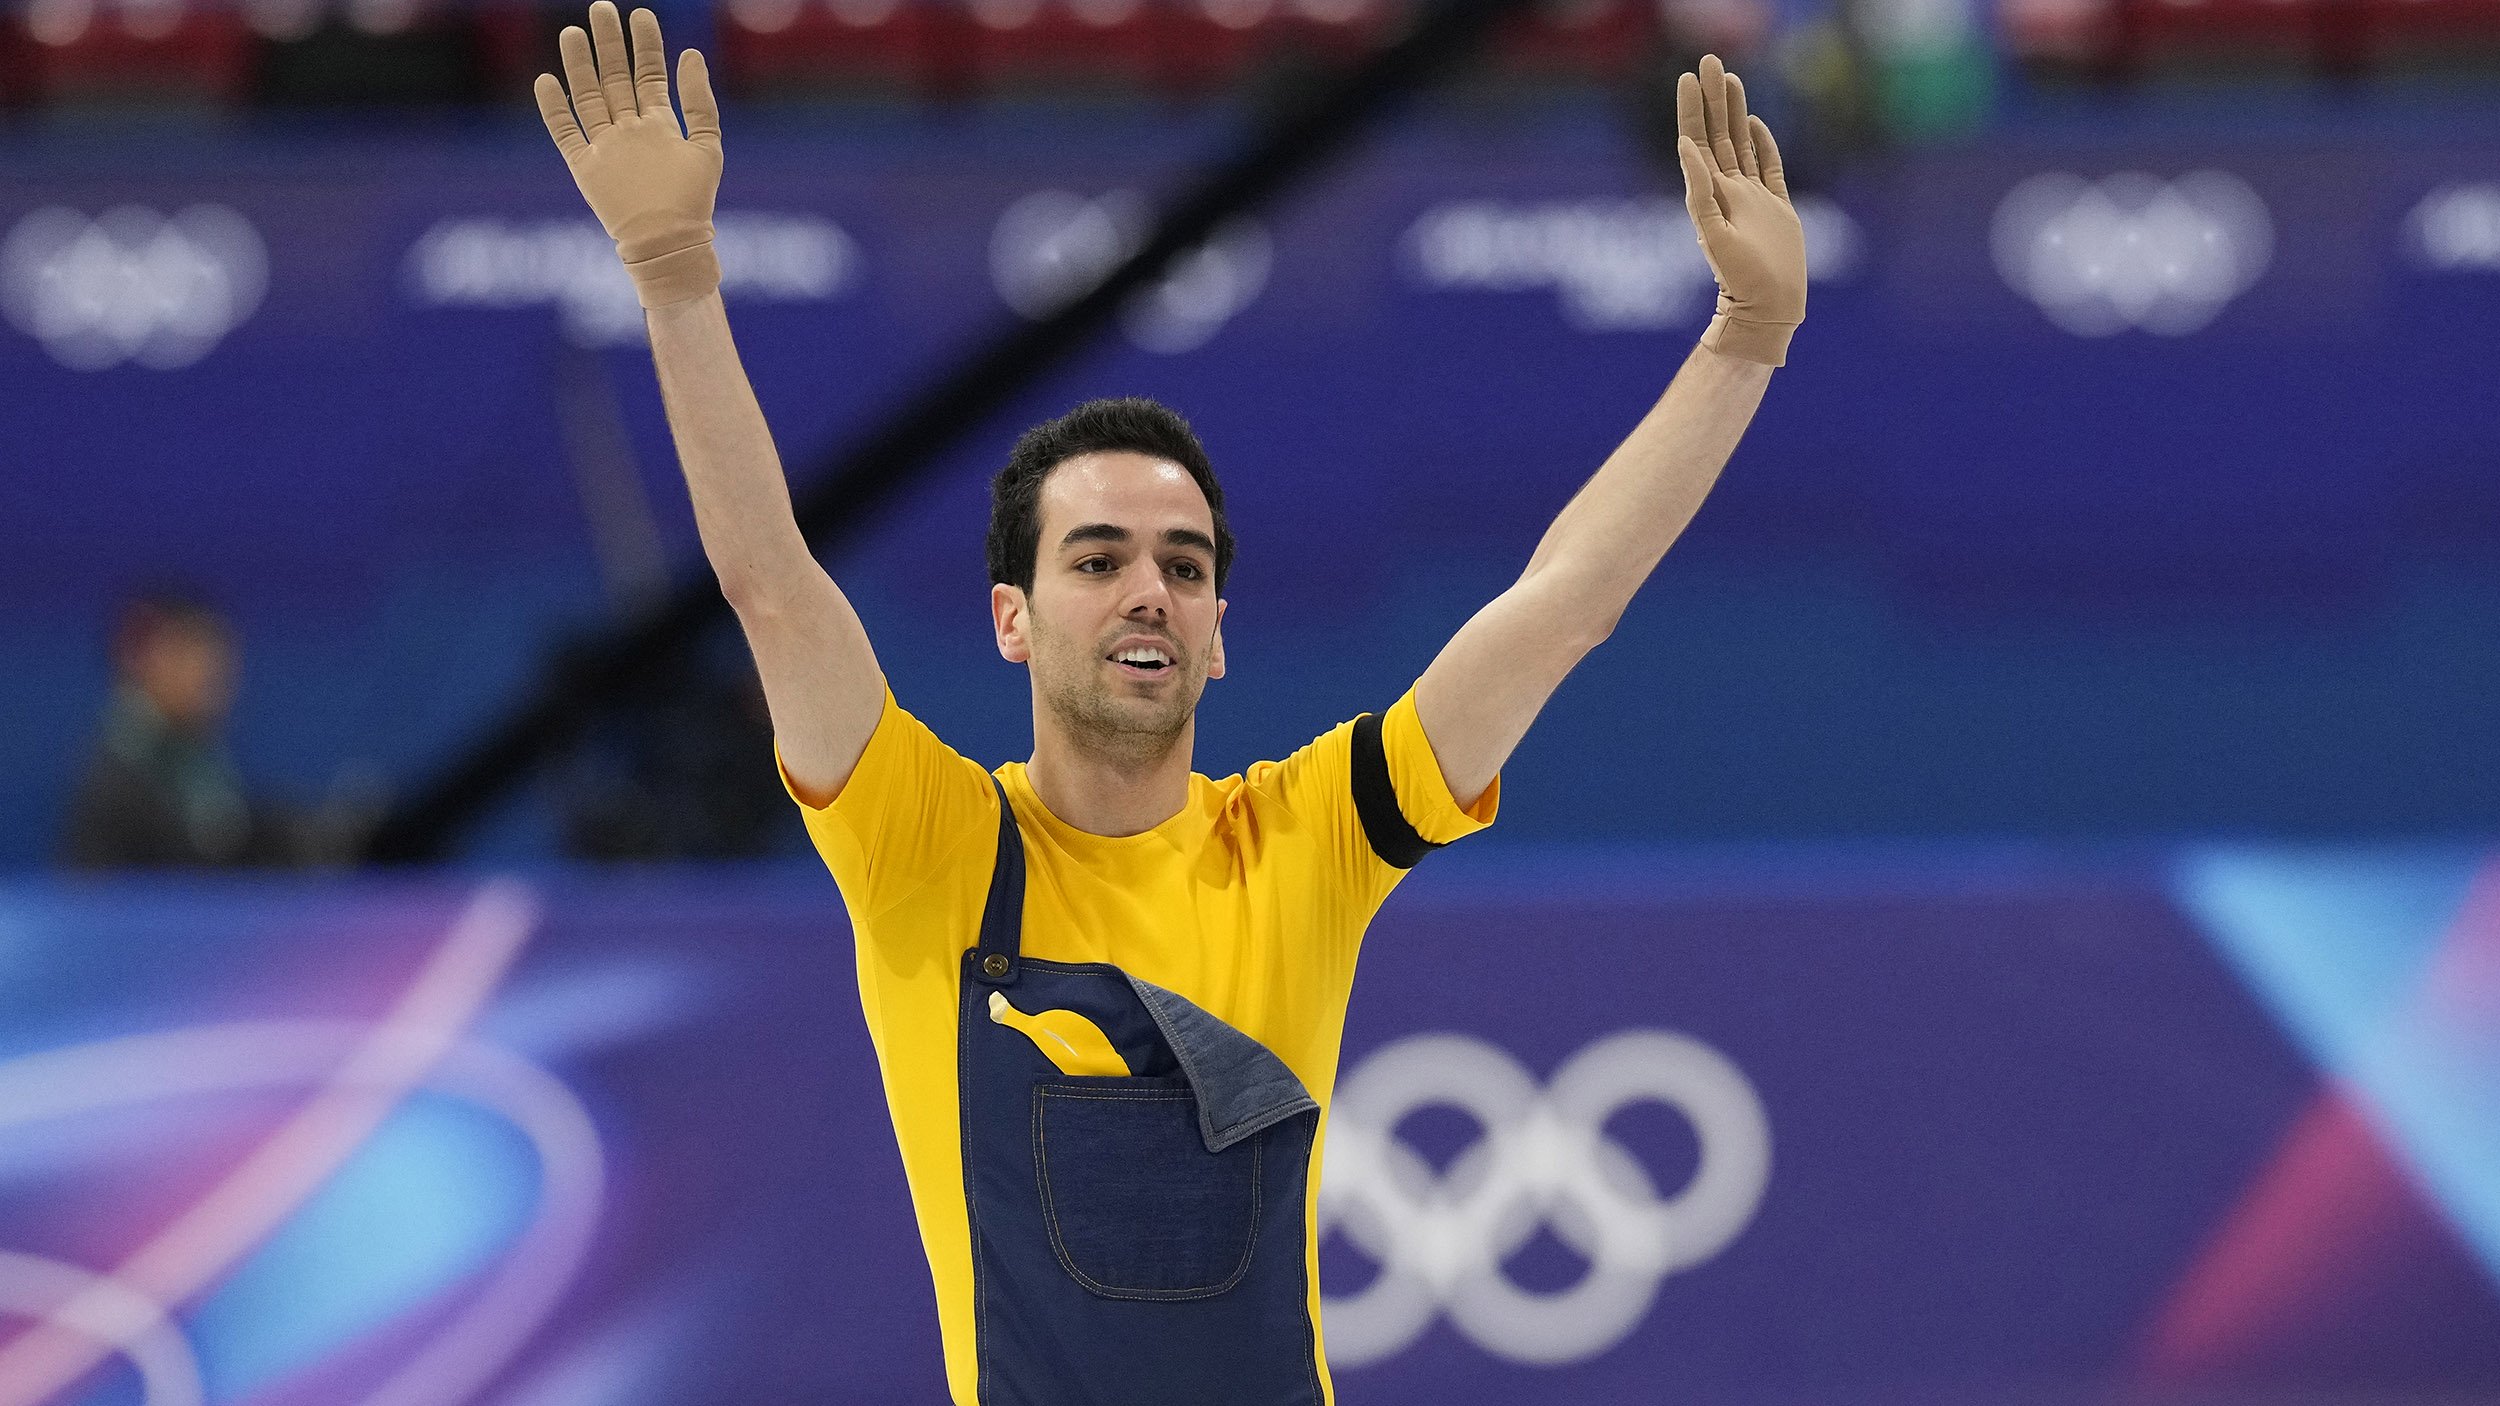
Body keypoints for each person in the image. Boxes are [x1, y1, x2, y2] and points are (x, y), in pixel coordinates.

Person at [534, 7, 1803, 1401]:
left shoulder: (1309, 839)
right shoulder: (927, 848)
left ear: (1217, 634)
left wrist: (1746, 337)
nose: (1150, 589)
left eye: (1183, 566)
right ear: (1009, 618)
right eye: (1098, 559)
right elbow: (772, 586)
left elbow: (1562, 602)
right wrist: (673, 275)